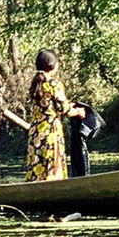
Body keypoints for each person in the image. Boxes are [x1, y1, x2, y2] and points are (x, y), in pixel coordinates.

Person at [25, 49, 86, 182]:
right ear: (52, 65)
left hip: (36, 131)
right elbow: (66, 109)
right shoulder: (53, 84)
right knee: (53, 165)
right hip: (51, 131)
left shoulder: (36, 83)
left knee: (38, 164)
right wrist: (79, 112)